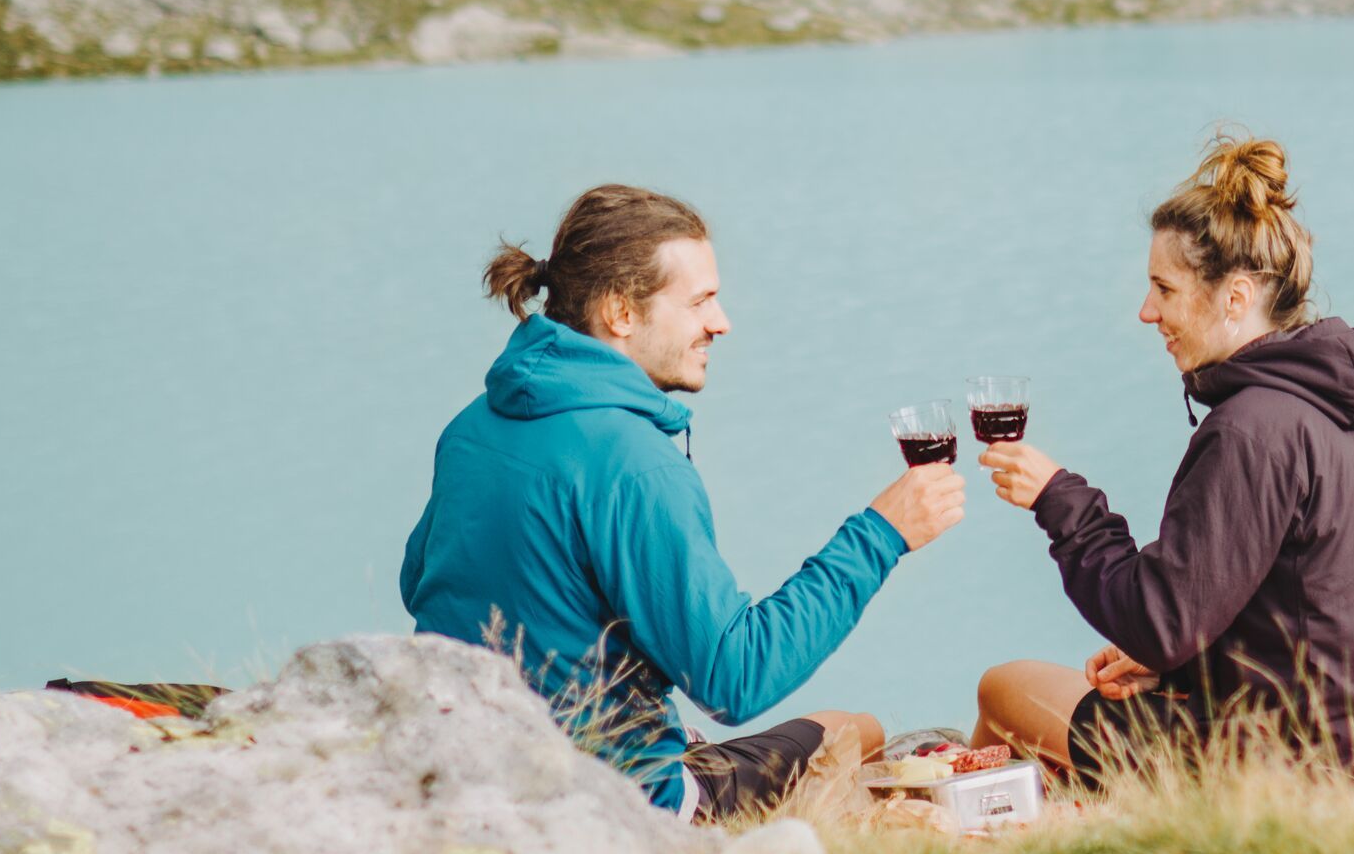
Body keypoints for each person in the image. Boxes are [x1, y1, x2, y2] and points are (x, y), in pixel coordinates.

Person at [401, 183, 962, 820]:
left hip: (465, 770)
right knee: (853, 729)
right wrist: (882, 534)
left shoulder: (472, 426)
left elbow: (421, 581)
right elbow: (734, 679)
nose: (720, 322)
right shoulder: (634, 464)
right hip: (617, 804)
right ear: (621, 313)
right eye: (700, 301)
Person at [971, 135, 1354, 780]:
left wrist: (1061, 500)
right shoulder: (1342, 403)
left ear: (1235, 296)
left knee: (1004, 689)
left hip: (1302, 758)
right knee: (1117, 691)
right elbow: (1306, 604)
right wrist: (1186, 664)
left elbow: (1158, 621)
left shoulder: (1251, 430)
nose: (1147, 312)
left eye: (1163, 289)